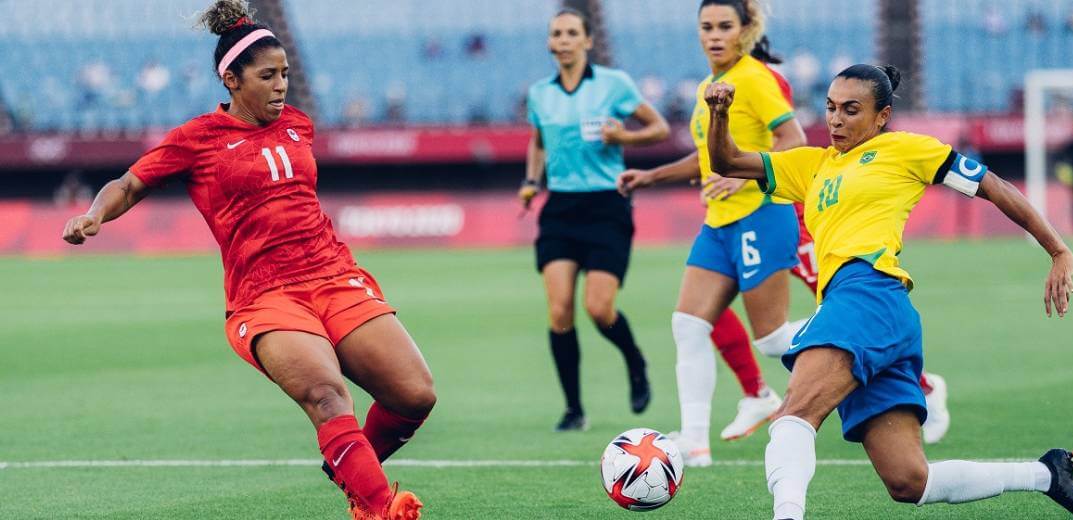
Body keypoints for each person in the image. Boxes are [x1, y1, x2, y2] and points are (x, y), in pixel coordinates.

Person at [61, 3, 432, 519]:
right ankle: (377, 506)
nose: (281, 85)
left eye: (284, 74)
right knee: (327, 396)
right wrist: (95, 214)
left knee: (414, 395)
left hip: (335, 275)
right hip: (266, 295)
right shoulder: (197, 139)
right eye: (267, 76)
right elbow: (127, 184)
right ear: (232, 80)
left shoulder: (299, 124)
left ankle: (347, 461)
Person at [703, 64, 1073, 520]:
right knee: (910, 481)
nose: (836, 119)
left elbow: (993, 185)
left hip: (867, 293)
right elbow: (727, 161)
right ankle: (1046, 475)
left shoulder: (906, 150)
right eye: (830, 108)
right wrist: (719, 113)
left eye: (851, 110)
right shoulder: (811, 164)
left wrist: (1058, 249)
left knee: (794, 414)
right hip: (872, 312)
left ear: (882, 116)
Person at [618, 0, 808, 466]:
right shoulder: (708, 87)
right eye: (707, 27)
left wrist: (745, 176)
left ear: (745, 31)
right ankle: (694, 442)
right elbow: (707, 160)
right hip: (719, 224)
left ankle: (860, 336)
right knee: (687, 325)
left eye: (725, 26)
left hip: (761, 215)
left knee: (772, 340)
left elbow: (794, 140)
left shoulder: (754, 79)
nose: (715, 34)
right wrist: (651, 175)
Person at [519, 8, 671, 432]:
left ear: (587, 41)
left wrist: (625, 136)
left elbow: (658, 128)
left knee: (599, 308)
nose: (563, 40)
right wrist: (531, 181)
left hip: (607, 206)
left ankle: (634, 359)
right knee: (559, 310)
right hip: (561, 209)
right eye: (557, 33)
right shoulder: (539, 94)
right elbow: (538, 142)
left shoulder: (614, 84)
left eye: (572, 33)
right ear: (550, 43)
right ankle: (573, 410)